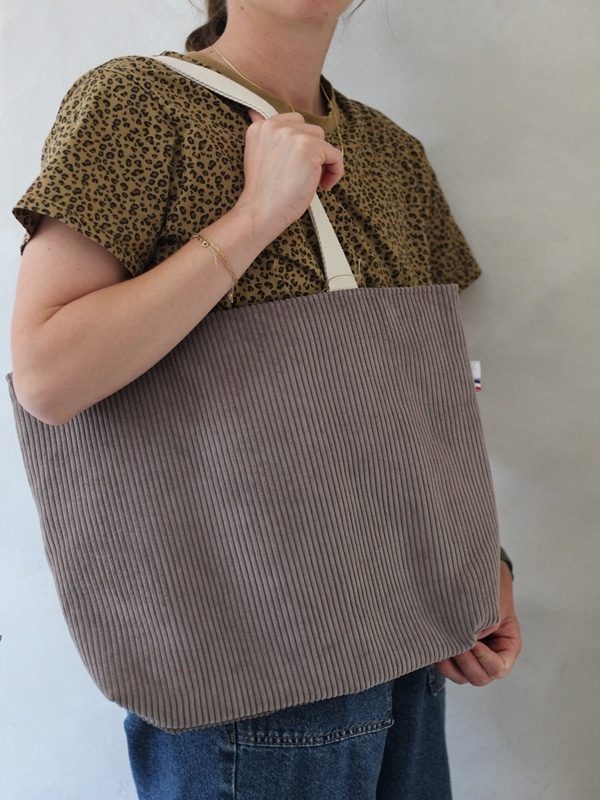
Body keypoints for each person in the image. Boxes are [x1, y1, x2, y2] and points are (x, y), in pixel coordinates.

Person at [10, 1, 522, 797]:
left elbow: (436, 385)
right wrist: (257, 215)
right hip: (251, 658)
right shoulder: (138, 103)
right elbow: (48, 374)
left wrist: (482, 561)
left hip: (410, 633)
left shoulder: (391, 152)